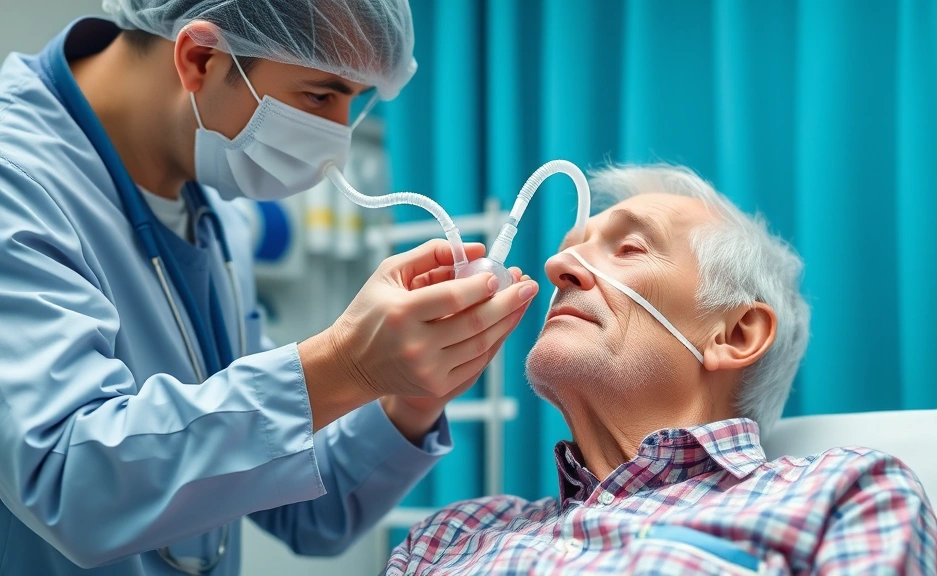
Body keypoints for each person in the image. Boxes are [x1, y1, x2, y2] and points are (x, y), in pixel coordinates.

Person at [0, 1, 539, 574]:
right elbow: (67, 484)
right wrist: (342, 366)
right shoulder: (17, 181)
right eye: (320, 94)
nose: (338, 139)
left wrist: (409, 397)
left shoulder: (217, 205)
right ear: (200, 57)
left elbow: (302, 511)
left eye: (353, 102)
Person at [387, 165, 937, 575]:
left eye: (630, 249)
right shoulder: (448, 539)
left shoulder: (844, 499)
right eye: (568, 249)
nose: (559, 266)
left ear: (734, 335)